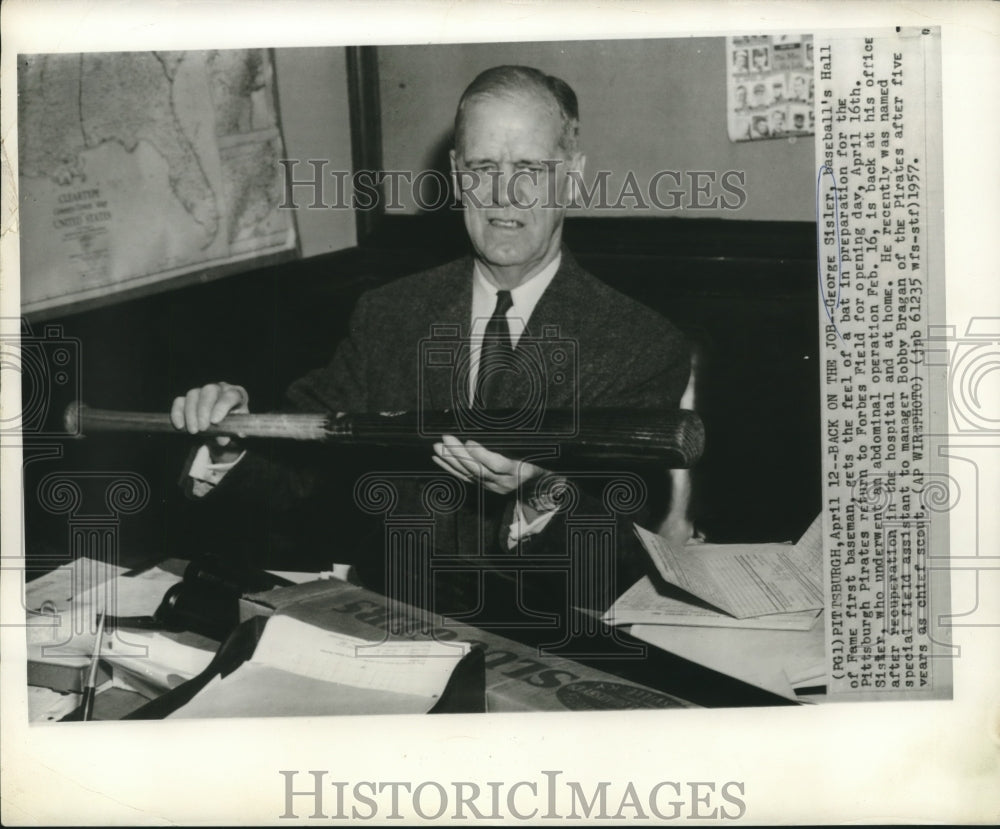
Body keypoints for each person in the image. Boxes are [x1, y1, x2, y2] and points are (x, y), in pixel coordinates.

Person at [170, 65, 689, 633]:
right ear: (456, 175)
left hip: (544, 644)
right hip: (380, 623)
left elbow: (624, 558)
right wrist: (232, 437)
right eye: (483, 167)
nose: (502, 194)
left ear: (574, 177)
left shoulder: (640, 342)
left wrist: (539, 493)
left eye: (532, 170)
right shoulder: (391, 314)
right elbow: (296, 470)